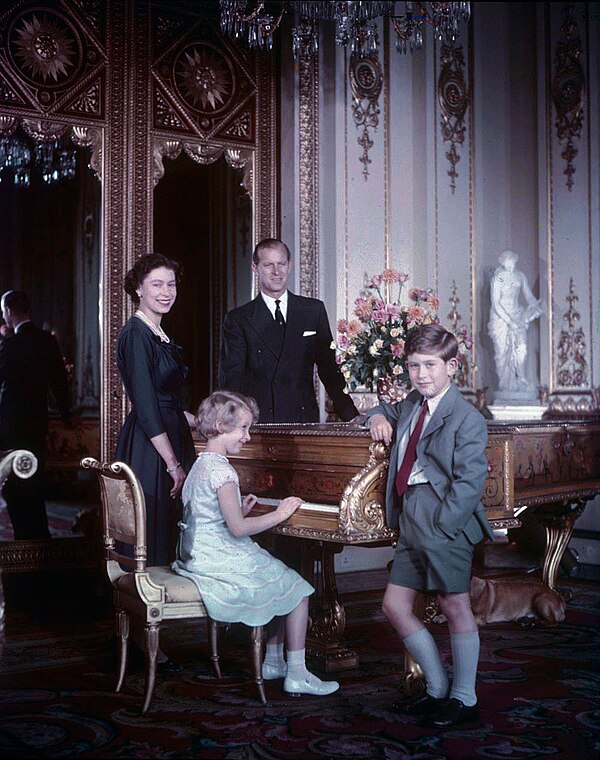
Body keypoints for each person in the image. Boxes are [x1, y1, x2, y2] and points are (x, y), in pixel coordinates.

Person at [366, 323, 494, 729]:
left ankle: (465, 698)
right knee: (394, 605)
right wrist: (374, 417)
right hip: (410, 517)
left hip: (444, 518)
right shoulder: (411, 404)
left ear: (452, 367)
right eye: (414, 366)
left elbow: (470, 481)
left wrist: (444, 525)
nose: (421, 374)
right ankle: (437, 688)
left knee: (454, 605)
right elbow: (383, 410)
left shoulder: (466, 417)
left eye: (430, 365)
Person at [172, 390, 340, 697]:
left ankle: (274, 662)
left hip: (198, 553)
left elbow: (208, 514)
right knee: (299, 590)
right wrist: (280, 513)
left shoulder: (200, 464)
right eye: (243, 428)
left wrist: (241, 507)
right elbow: (237, 529)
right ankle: (298, 674)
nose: (248, 436)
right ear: (222, 427)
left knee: (279, 581)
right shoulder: (223, 471)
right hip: (218, 558)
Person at [218, 238, 359, 423]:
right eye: (268, 265)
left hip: (303, 419)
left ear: (289, 265)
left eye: (281, 264)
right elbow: (232, 380)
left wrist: (351, 415)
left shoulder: (312, 310)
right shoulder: (238, 319)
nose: (276, 272)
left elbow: (329, 369)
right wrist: (233, 424)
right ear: (255, 268)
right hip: (259, 422)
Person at [115, 253, 196, 567]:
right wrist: (173, 464)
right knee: (154, 530)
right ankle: (151, 607)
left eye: (171, 284)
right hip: (152, 447)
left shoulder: (157, 333)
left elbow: (166, 398)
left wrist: (197, 420)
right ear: (139, 288)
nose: (166, 292)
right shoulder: (137, 333)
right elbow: (147, 406)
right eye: (157, 284)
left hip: (168, 434)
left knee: (171, 527)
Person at [0, 290, 71, 540]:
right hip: (37, 424)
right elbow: (61, 384)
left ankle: (25, 543)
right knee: (33, 484)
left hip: (11, 428)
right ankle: (39, 541)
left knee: (16, 488)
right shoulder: (46, 341)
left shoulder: (10, 344)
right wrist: (68, 417)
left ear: (8, 311)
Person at [488, 250, 542, 394]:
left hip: (517, 315)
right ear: (503, 262)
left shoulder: (520, 276)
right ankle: (505, 385)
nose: (511, 263)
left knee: (521, 348)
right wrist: (508, 320)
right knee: (502, 353)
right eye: (508, 261)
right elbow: (495, 303)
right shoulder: (498, 278)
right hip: (500, 319)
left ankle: (521, 378)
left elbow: (528, 295)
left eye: (513, 260)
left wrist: (534, 305)